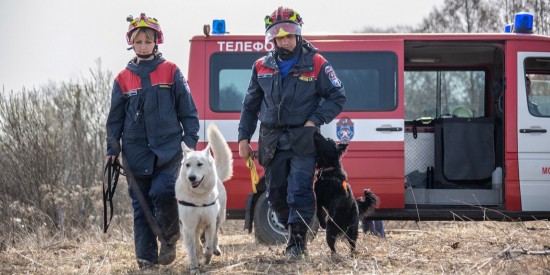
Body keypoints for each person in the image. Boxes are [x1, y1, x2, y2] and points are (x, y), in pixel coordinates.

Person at [238, 7, 346, 260]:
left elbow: (337, 97)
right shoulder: (260, 66)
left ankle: (297, 243)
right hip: (271, 139)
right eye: (279, 36)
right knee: (275, 193)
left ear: (298, 33)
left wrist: (314, 121)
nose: (285, 39)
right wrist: (244, 138)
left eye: (289, 34)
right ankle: (294, 230)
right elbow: (250, 106)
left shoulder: (317, 62)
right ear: (272, 38)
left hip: (303, 138)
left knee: (299, 189)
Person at [105, 13, 199, 269]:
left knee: (164, 191)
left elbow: (188, 112)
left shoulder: (171, 71)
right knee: (141, 208)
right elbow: (114, 119)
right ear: (132, 44)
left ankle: (169, 238)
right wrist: (112, 149)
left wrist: (189, 143)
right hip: (135, 155)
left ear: (157, 42)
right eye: (139, 41)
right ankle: (146, 262)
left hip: (170, 152)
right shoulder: (122, 78)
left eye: (148, 41)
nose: (144, 45)